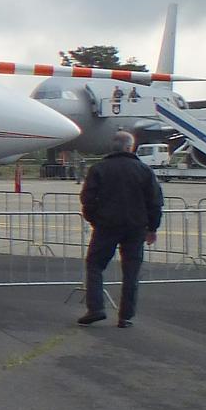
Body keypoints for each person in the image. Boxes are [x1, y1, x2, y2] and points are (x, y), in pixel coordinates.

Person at [76, 130, 165, 328]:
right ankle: (126, 316)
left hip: (106, 225)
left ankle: (96, 308)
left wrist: (95, 219)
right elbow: (155, 201)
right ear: (129, 147)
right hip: (136, 227)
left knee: (95, 265)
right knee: (131, 272)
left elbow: (87, 199)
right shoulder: (144, 170)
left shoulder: (98, 169)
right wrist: (152, 227)